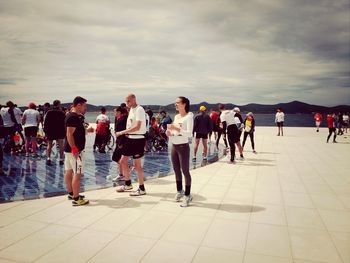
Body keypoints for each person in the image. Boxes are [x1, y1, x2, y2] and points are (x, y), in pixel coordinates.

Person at [116, 94, 147, 196]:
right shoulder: (131, 110)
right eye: (126, 102)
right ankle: (128, 183)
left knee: (137, 165)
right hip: (130, 139)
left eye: (128, 101)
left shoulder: (139, 109)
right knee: (123, 161)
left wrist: (122, 132)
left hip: (138, 139)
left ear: (134, 99)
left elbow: (137, 127)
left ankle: (142, 188)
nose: (127, 103)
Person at [64, 96, 94, 206]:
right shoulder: (73, 117)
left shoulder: (72, 116)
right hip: (76, 151)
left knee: (68, 171)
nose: (85, 108)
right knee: (78, 173)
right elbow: (69, 133)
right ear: (78, 105)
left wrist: (86, 130)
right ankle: (76, 199)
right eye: (84, 105)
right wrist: (75, 149)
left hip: (69, 150)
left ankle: (72, 193)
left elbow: (74, 132)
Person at [166, 96, 194, 207]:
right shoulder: (177, 116)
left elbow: (189, 134)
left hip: (183, 147)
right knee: (176, 170)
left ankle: (187, 195)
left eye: (177, 103)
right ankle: (179, 191)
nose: (175, 105)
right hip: (174, 145)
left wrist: (177, 129)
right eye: (175, 103)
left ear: (184, 104)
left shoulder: (189, 117)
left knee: (185, 171)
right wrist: (169, 132)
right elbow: (173, 129)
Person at [43, 100, 66, 165]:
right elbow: (64, 123)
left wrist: (45, 132)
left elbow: (46, 123)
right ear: (58, 104)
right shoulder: (62, 113)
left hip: (50, 131)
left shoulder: (49, 112)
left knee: (49, 145)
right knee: (61, 145)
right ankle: (61, 159)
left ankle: (48, 159)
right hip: (60, 131)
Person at [112, 106, 128, 181]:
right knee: (118, 158)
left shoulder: (122, 120)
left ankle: (125, 171)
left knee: (115, 157)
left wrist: (120, 143)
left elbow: (124, 132)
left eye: (115, 111)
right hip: (120, 141)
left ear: (119, 112)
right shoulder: (120, 119)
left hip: (121, 142)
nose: (114, 113)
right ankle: (121, 174)